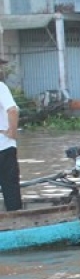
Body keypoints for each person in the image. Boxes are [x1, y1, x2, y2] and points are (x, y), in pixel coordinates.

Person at [0, 60, 22, 212]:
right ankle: (15, 223)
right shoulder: (1, 87)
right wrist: (12, 133)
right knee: (10, 188)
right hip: (4, 147)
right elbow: (12, 110)